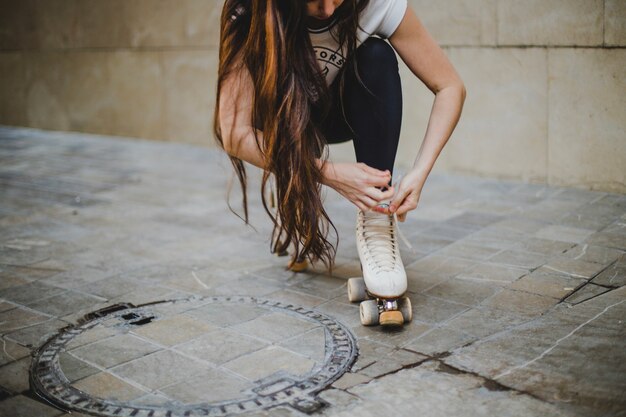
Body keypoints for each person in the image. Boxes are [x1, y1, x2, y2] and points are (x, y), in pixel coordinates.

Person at [213, 0, 465, 281]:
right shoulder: (249, 9)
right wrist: (327, 173)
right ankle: (292, 184)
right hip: (284, 117)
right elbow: (234, 134)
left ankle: (377, 219)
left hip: (341, 111)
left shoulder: (377, 3)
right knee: (282, 87)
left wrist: (420, 172)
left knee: (376, 55)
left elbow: (450, 86)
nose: (328, 10)